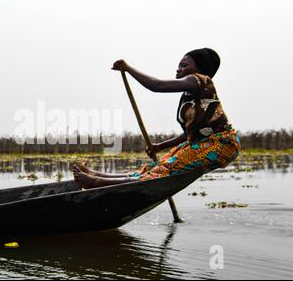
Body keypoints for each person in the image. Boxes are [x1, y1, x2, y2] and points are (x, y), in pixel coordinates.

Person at [73, 48, 241, 189]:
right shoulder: (192, 94)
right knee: (156, 166)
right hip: (201, 142)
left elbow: (156, 85)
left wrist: (128, 69)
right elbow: (189, 133)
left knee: (164, 171)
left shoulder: (199, 80)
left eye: (183, 65)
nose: (178, 69)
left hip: (221, 144)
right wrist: (160, 146)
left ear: (199, 69)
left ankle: (97, 182)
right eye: (179, 65)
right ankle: (99, 176)